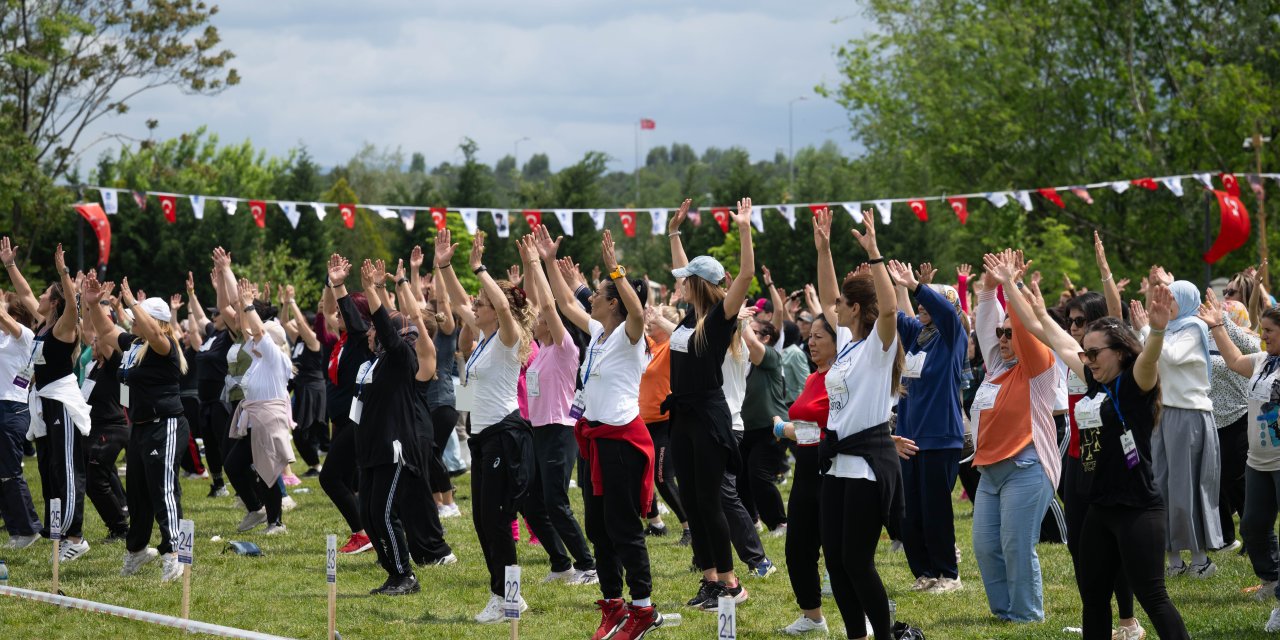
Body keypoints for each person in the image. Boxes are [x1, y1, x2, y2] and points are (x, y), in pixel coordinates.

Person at [1009, 271, 1190, 639]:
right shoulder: (1095, 380)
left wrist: (1155, 332)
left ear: (1119, 352)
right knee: (1093, 600)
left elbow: (1149, 360)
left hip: (1136, 509)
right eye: (1085, 353)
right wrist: (1015, 290)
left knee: (1153, 596)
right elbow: (1053, 336)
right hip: (1099, 509)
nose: (1087, 359)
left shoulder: (1134, 384)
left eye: (1094, 353)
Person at [534, 227, 664, 640]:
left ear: (614, 302)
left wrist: (617, 270)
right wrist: (548, 261)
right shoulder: (599, 334)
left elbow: (639, 313)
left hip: (622, 441)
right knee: (598, 528)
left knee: (623, 527)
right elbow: (568, 301)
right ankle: (614, 605)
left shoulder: (630, 336)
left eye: (600, 292)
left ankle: (643, 609)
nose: (591, 295)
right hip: (593, 440)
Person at [811, 206, 915, 640]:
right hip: (837, 463)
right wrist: (824, 249)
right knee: (834, 560)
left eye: (840, 304)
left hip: (867, 467)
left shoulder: (877, 346)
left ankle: (885, 635)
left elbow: (888, 310)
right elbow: (827, 290)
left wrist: (874, 253)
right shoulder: (850, 344)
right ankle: (857, 635)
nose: (831, 307)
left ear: (854, 309)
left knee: (857, 561)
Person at [436, 229, 534, 623]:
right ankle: (503, 593)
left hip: (505, 434)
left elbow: (504, 309)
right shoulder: (481, 339)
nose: (476, 307)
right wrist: (444, 265)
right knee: (481, 518)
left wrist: (480, 267)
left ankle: (508, 597)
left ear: (497, 306)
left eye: (483, 303)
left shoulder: (509, 337)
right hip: (483, 437)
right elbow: (461, 301)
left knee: (496, 519)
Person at [664, 197, 755, 609]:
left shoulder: (720, 317)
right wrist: (674, 233)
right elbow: (683, 267)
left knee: (709, 501)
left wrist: (744, 229)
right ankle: (711, 580)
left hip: (709, 417)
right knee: (691, 501)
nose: (678, 283)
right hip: (682, 415)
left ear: (698, 285)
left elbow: (747, 273)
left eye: (685, 280)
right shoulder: (689, 316)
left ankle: (732, 583)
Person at [970, 250, 1061, 623]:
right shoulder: (997, 366)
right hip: (989, 473)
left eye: (1010, 333)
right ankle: (1004, 611)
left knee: (1016, 546)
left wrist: (1012, 286)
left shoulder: (1039, 368)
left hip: (1026, 466)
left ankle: (1026, 615)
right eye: (1000, 333)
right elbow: (985, 320)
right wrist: (988, 290)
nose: (1004, 338)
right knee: (986, 547)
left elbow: (1025, 329)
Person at [82, 273, 188, 582]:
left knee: (163, 490)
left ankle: (174, 552)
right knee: (138, 493)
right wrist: (93, 305)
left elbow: (155, 331)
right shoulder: (135, 344)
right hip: (140, 427)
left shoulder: (163, 346)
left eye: (135, 317)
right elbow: (105, 330)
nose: (131, 322)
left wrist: (130, 300)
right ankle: (138, 550)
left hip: (164, 424)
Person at [514, 237, 597, 586]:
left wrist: (537, 263)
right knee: (528, 499)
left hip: (561, 431)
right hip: (538, 431)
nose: (535, 321)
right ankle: (560, 562)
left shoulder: (565, 348)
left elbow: (547, 304)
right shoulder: (540, 351)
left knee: (555, 501)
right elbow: (537, 303)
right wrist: (530, 270)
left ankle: (587, 565)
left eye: (541, 319)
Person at [884, 259, 967, 594]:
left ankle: (948, 573)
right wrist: (885, 280)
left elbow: (945, 312)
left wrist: (918, 285)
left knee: (935, 510)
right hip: (909, 437)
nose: (921, 304)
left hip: (939, 437)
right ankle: (924, 572)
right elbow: (891, 312)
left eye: (930, 299)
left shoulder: (952, 336)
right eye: (921, 300)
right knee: (909, 511)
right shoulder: (917, 337)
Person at [1200, 294, 1280, 632]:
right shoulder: (1262, 361)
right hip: (1258, 463)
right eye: (1261, 330)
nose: (1263, 336)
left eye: (1270, 332)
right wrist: (1217, 325)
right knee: (1252, 527)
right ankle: (1273, 582)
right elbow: (1233, 361)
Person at [1146, 268, 1222, 576]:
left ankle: (1201, 559)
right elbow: (1144, 351)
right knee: (1162, 486)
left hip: (1190, 415)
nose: (1169, 302)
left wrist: (1155, 329)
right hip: (1163, 413)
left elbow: (1173, 355)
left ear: (1188, 300)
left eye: (1174, 297)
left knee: (1187, 488)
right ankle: (1174, 560)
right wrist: (1152, 328)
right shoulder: (1169, 327)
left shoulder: (1193, 327)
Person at [23, 245, 93, 562]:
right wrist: (10, 265)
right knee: (52, 468)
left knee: (66, 469)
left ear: (54, 301)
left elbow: (73, 309)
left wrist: (64, 273)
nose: (36, 297)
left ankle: (75, 537)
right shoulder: (44, 326)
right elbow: (25, 296)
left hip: (62, 401)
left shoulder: (64, 327)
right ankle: (60, 534)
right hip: (47, 402)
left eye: (43, 294)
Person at [774, 314, 837, 635]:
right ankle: (812, 617)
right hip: (806, 469)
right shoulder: (814, 377)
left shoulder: (841, 377)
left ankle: (867, 617)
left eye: (819, 337)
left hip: (833, 470)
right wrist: (788, 429)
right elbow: (810, 427)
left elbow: (828, 427)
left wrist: (784, 428)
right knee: (797, 547)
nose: (811, 342)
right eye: (810, 336)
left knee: (840, 552)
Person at [224, 275, 295, 536]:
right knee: (233, 465)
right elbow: (247, 331)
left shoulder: (275, 357)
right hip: (254, 419)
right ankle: (256, 509)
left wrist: (250, 305)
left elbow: (259, 331)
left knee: (268, 471)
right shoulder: (259, 358)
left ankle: (276, 522)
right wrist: (244, 306)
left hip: (267, 419)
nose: (253, 338)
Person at [320, 264, 375, 555]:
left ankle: (363, 533)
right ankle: (370, 531)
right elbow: (330, 312)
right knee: (355, 480)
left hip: (357, 419)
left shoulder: (359, 336)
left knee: (329, 478)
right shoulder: (342, 338)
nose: (336, 317)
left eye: (344, 313)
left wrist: (341, 287)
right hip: (342, 419)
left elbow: (350, 319)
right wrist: (331, 284)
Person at [79, 292, 130, 543]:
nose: (94, 343)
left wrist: (96, 306)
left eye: (98, 341)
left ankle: (121, 527)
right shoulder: (94, 367)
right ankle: (119, 518)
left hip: (112, 428)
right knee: (95, 479)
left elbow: (103, 333)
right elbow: (89, 331)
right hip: (94, 427)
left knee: (96, 480)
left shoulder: (113, 365)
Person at [638, 305, 690, 544]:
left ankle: (689, 527)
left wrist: (664, 318)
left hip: (665, 423)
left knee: (663, 478)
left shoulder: (671, 346)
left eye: (654, 321)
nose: (650, 323)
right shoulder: (649, 344)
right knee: (640, 475)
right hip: (642, 422)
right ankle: (656, 523)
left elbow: (682, 333)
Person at [0, 278, 42, 549]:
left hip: (12, 409)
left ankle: (28, 529)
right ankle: (17, 529)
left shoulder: (25, 336)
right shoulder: (4, 339)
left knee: (10, 473)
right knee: (2, 474)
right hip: (3, 407)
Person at [738, 318, 788, 536]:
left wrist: (742, 319)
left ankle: (779, 523)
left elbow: (750, 343)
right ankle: (752, 519)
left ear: (766, 338)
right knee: (740, 477)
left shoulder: (770, 356)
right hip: (745, 428)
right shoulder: (742, 360)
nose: (745, 333)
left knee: (758, 474)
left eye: (753, 331)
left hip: (772, 427)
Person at [280, 285, 326, 479]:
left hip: (313, 390)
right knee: (300, 432)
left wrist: (292, 301)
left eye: (301, 324)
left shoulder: (314, 341)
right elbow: (284, 322)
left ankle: (317, 465)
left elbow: (299, 321)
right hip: (301, 388)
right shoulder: (299, 340)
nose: (296, 325)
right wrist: (284, 304)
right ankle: (315, 466)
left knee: (304, 431)